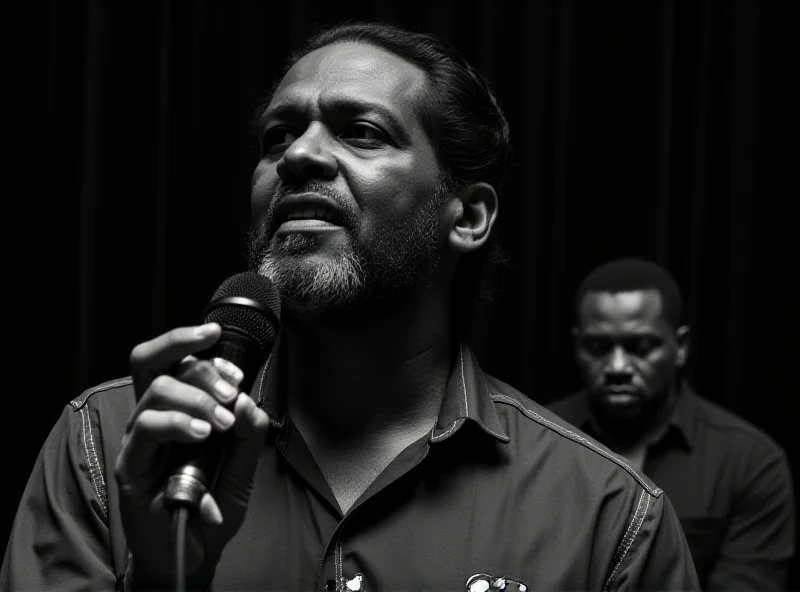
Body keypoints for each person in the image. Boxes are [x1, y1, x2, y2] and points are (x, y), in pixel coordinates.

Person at [2, 23, 700, 591]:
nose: (299, 155)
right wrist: (162, 577)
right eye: (277, 136)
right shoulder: (113, 445)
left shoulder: (608, 519)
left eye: (361, 131)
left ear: (469, 216)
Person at [548, 257, 796, 591]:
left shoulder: (750, 462)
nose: (617, 366)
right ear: (577, 346)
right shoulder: (536, 442)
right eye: (598, 347)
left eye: (641, 347)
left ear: (679, 347)